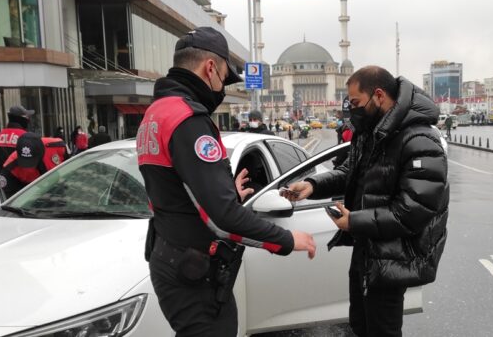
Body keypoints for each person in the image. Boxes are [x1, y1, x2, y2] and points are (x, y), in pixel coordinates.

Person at [135, 26, 316, 336]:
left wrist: (222, 191)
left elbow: (169, 188)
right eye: (223, 77)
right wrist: (287, 240)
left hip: (167, 252)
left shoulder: (155, 113)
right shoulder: (189, 120)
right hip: (192, 268)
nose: (222, 87)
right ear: (209, 68)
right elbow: (224, 218)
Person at [283, 66, 449, 337]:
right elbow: (349, 172)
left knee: (382, 330)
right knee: (360, 326)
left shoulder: (420, 139)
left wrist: (354, 220)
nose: (352, 110)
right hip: (366, 246)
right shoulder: (371, 131)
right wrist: (312, 185)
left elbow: (414, 210)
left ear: (379, 95)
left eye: (356, 103)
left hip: (392, 256)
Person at [0, 132, 68, 198]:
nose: (28, 166)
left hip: (57, 184)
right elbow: (8, 197)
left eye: (32, 161)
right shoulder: (10, 167)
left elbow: (71, 167)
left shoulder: (58, 146)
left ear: (42, 152)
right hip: (28, 192)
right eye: (24, 161)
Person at [0, 105, 33, 169]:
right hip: (22, 177)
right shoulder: (26, 136)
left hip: (2, 176)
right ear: (21, 119)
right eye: (27, 117)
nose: (28, 119)